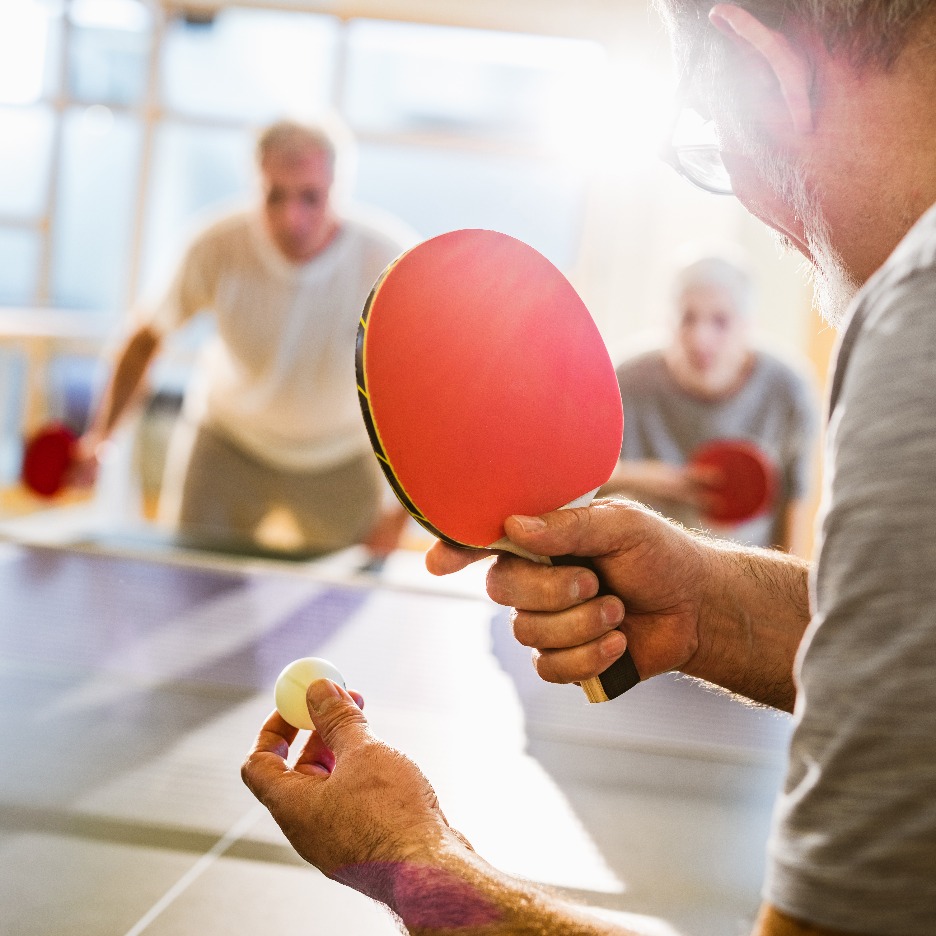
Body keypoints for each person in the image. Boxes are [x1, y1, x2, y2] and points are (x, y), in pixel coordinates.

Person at [243, 2, 936, 934]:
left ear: (763, 64)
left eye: (719, 154)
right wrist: (707, 603)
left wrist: (419, 864)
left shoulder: (920, 319)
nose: (776, 224)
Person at [77, 118, 415, 558]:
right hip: (227, 446)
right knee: (186, 581)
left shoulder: (389, 259)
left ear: (338, 188)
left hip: (340, 458)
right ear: (255, 182)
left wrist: (400, 514)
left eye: (311, 197)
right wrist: (101, 437)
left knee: (339, 604)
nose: (292, 217)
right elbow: (145, 339)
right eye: (275, 195)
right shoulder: (216, 245)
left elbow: (432, 390)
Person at [602, 251, 817, 553]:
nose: (700, 338)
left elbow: (793, 508)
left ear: (746, 326)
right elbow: (582, 489)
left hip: (747, 573)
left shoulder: (789, 390)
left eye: (720, 321)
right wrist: (650, 479)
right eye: (687, 318)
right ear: (667, 321)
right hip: (642, 564)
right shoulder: (622, 381)